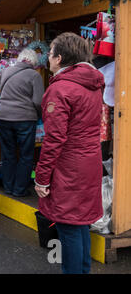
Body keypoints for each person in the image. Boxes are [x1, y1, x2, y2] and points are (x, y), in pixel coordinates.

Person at [34, 32, 104, 274]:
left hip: (69, 166)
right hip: (89, 161)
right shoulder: (92, 84)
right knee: (80, 223)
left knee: (68, 225)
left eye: (50, 53)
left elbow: (54, 139)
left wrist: (42, 177)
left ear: (60, 58)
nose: (48, 57)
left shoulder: (60, 89)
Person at [0, 48, 45, 197]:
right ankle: (19, 189)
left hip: (3, 118)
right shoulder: (34, 76)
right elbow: (38, 101)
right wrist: (39, 116)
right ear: (33, 63)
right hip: (25, 119)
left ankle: (8, 187)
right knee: (26, 155)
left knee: (8, 154)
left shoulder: (6, 70)